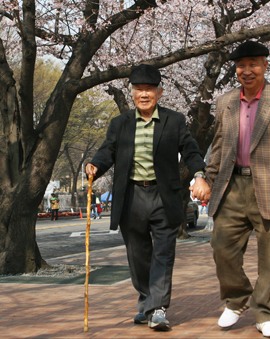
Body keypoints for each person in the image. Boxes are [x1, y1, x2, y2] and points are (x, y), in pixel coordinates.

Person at [86, 64, 210, 331]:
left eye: (149, 90)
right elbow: (107, 151)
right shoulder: (120, 124)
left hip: (163, 195)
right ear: (132, 93)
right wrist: (95, 166)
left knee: (164, 252)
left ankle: (158, 308)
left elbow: (190, 149)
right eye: (139, 89)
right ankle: (146, 299)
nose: (144, 94)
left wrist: (200, 174)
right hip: (131, 196)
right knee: (138, 255)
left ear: (159, 93)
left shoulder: (174, 120)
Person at [203, 41, 270, 338]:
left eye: (253, 64)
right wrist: (210, 181)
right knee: (221, 247)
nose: (246, 70)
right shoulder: (225, 102)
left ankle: (265, 313)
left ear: (265, 65)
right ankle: (236, 299)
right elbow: (219, 148)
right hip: (231, 186)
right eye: (240, 65)